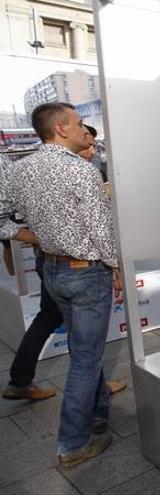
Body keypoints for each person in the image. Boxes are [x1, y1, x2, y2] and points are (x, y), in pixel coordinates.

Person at [0, 102, 122, 467]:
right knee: (85, 358)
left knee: (84, 348)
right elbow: (101, 231)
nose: (84, 128)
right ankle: (72, 444)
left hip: (51, 270)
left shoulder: (18, 171)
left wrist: (28, 236)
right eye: (79, 122)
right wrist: (115, 266)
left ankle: (98, 415)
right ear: (62, 129)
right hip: (86, 273)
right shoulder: (80, 172)